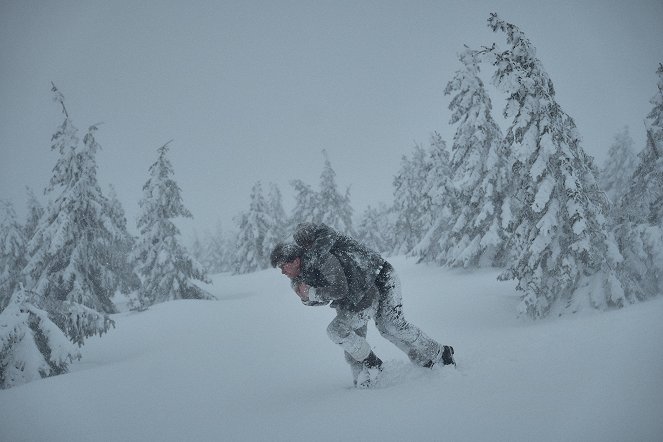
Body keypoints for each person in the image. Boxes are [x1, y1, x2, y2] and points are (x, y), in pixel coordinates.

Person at [270, 222, 455, 388]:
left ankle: (440, 353)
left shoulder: (322, 249)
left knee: (392, 325)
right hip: (360, 291)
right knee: (382, 329)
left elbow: (337, 286)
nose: (307, 248)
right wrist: (307, 297)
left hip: (382, 276)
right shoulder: (312, 262)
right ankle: (422, 361)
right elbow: (328, 291)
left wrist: (311, 292)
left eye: (283, 266)